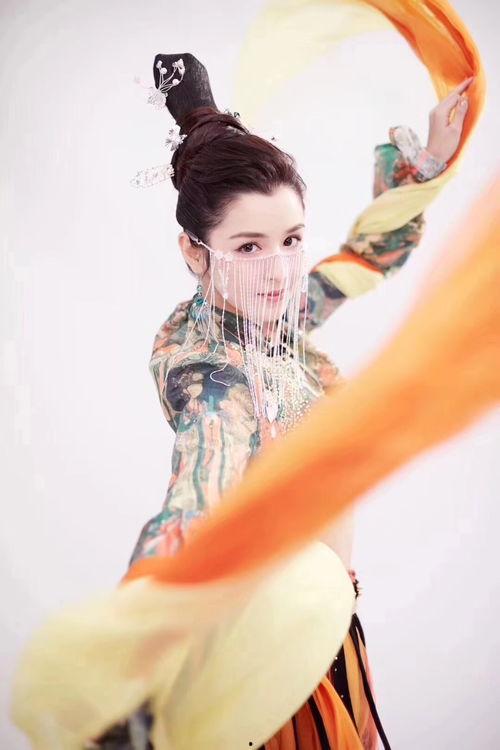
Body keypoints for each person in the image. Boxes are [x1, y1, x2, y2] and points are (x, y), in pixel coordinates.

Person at [90, 53, 472, 750]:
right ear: (195, 252)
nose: (278, 269)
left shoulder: (267, 316)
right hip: (269, 667)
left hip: (325, 634)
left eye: (291, 239)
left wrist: (430, 163)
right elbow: (198, 486)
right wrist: (138, 644)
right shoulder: (212, 373)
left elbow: (362, 261)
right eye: (248, 246)